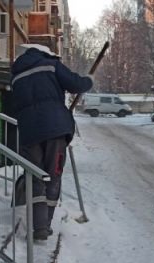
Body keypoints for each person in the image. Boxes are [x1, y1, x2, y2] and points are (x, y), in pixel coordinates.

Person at [11, 44, 93, 241]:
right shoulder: (50, 65)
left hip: (29, 132)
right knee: (53, 175)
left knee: (37, 177)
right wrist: (89, 80)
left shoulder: (15, 76)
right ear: (45, 53)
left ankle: (39, 227)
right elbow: (76, 84)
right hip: (55, 129)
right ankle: (45, 225)